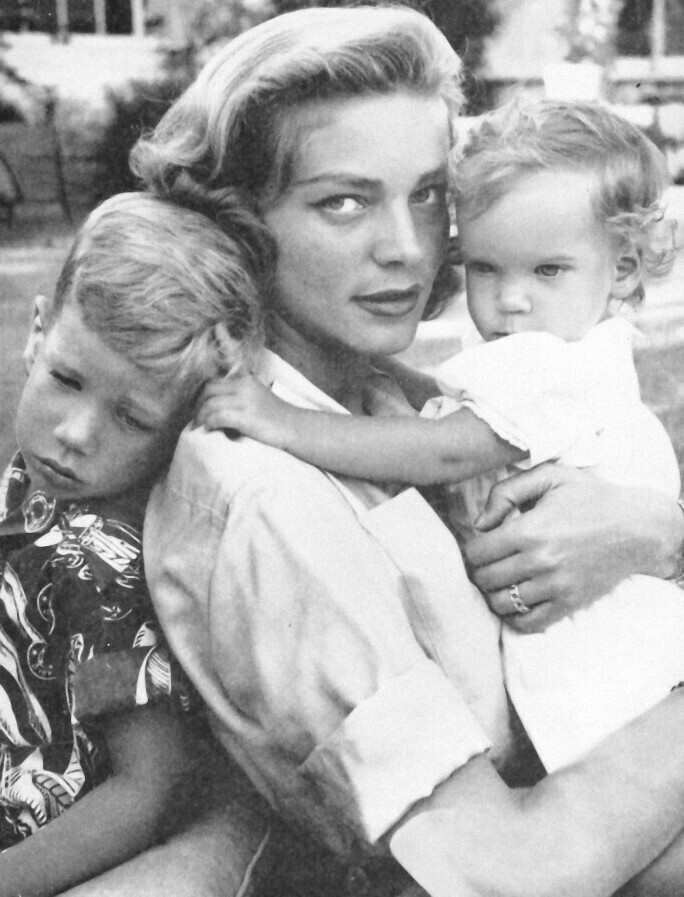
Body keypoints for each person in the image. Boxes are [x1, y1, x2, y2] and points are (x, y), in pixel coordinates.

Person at [64, 7, 684, 897]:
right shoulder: (268, 497)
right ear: (240, 222)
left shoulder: (389, 398)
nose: (406, 248)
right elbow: (509, 874)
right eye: (343, 202)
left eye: (428, 195)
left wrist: (657, 533)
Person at [195, 97, 684, 774]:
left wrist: (281, 421)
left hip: (600, 684)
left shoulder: (552, 362)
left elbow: (447, 448)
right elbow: (453, 408)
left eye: (547, 270)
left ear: (623, 267)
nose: (510, 300)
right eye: (485, 268)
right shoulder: (573, 345)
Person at [0, 190, 273, 897]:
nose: (76, 433)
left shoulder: (98, 573)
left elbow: (146, 787)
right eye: (66, 380)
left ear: (183, 428)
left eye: (132, 418)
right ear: (38, 332)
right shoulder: (36, 484)